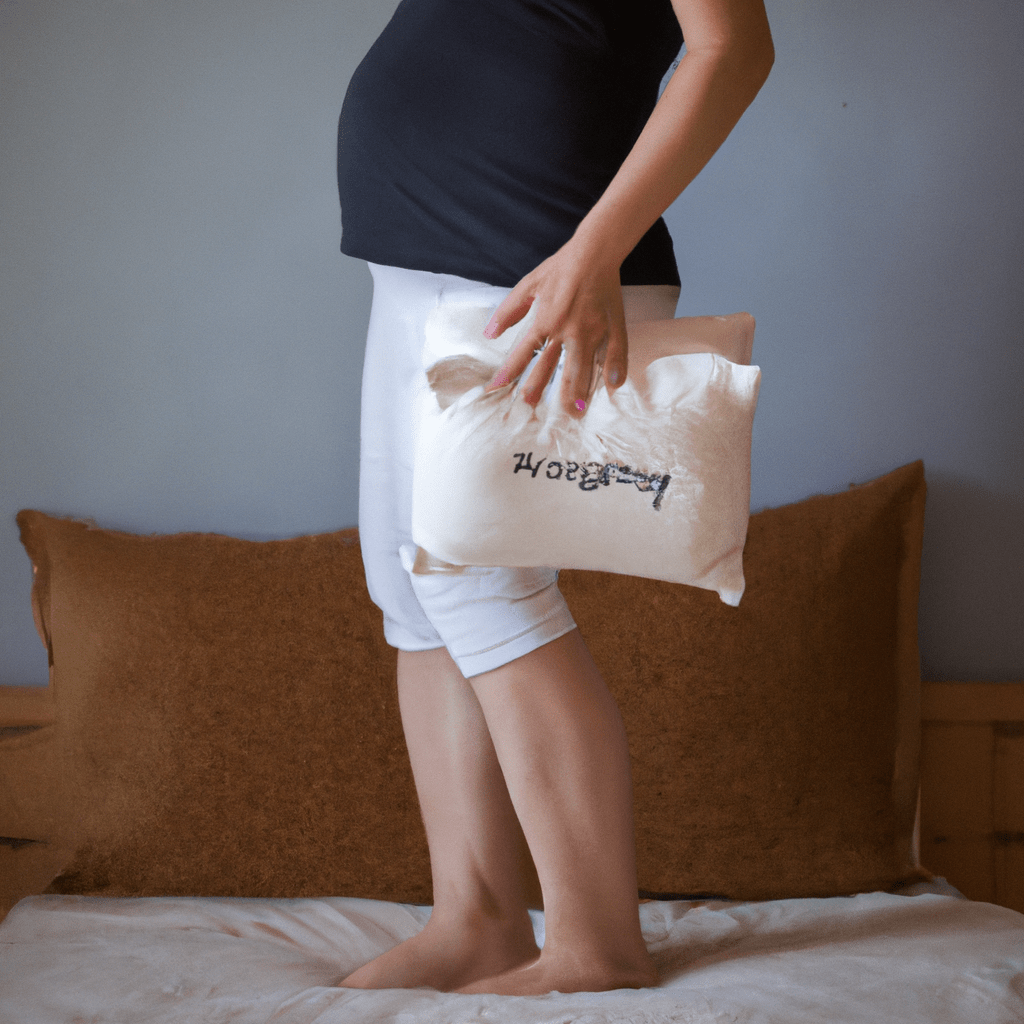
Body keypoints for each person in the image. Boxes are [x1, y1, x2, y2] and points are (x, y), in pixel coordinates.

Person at [335, 0, 773, 995]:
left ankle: (596, 943)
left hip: (539, 269)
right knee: (412, 592)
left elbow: (732, 47)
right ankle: (476, 918)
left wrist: (595, 252)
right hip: (414, 262)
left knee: (481, 588)